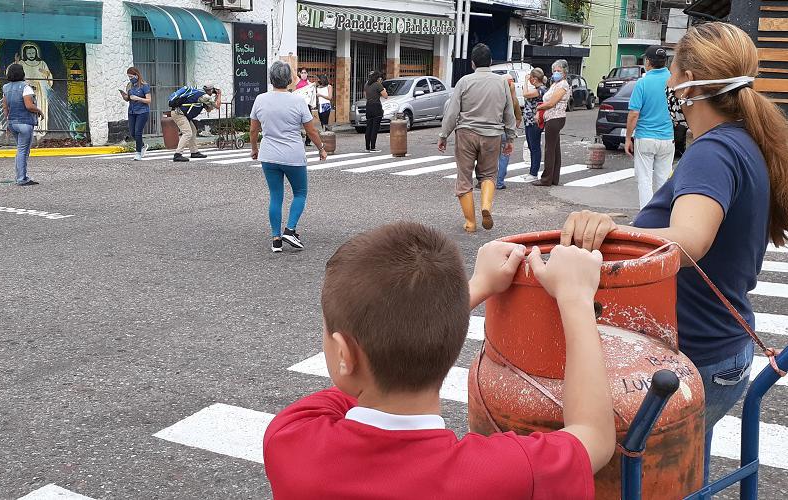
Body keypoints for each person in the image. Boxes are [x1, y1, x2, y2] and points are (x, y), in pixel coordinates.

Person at [556, 22, 788, 483]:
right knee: (685, 474)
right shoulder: (741, 141)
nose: (669, 83)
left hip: (696, 356)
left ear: (688, 78)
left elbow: (690, 240)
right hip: (720, 348)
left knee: (640, 479)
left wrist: (612, 229)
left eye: (673, 70)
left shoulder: (712, 151)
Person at [263, 222, 616, 497]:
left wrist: (476, 287)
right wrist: (575, 297)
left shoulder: (291, 439)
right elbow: (594, 436)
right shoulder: (504, 474)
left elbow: (362, 376)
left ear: (343, 352)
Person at [250, 61, 328, 253]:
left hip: (269, 155)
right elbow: (311, 131)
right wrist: (321, 148)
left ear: (271, 79)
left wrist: (254, 149)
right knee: (300, 193)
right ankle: (290, 230)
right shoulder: (298, 101)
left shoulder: (260, 99)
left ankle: (276, 239)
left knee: (276, 196)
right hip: (293, 155)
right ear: (289, 80)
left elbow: (253, 130)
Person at [437, 44, 516, 233]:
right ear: (490, 62)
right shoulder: (501, 82)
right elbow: (509, 112)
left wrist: (443, 135)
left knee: (464, 177)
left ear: (472, 63)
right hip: (492, 135)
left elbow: (452, 111)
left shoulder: (464, 82)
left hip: (466, 134)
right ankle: (486, 206)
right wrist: (510, 137)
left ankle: (470, 222)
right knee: (489, 174)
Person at [628, 46, 676, 208]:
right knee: (663, 180)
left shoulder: (642, 82)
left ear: (648, 62)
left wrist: (628, 137)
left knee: (645, 180)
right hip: (668, 138)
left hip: (646, 136)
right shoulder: (673, 80)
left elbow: (634, 113)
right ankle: (663, 215)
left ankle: (646, 217)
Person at [1, 63, 44, 186]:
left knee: (20, 150)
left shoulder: (6, 88)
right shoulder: (26, 87)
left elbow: (5, 107)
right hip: (25, 122)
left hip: (13, 123)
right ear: (22, 73)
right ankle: (22, 178)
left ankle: (19, 176)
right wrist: (39, 111)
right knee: (23, 151)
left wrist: (8, 122)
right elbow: (29, 106)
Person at [533, 60, 572, 186]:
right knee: (555, 148)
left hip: (555, 118)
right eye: (554, 70)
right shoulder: (555, 84)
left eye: (559, 71)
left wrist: (538, 108)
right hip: (551, 117)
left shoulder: (563, 85)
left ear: (564, 72)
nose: (556, 73)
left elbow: (551, 103)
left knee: (549, 149)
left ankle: (546, 178)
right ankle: (554, 178)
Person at [170, 83, 221, 162]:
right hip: (179, 114)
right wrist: (219, 94)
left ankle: (194, 152)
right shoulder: (205, 96)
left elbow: (209, 109)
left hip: (181, 114)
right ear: (210, 90)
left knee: (193, 131)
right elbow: (217, 106)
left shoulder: (199, 94)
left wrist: (215, 97)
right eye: (212, 90)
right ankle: (177, 154)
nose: (213, 92)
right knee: (187, 133)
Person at [14, 42, 52, 141]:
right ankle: (27, 129)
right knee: (27, 108)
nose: (31, 55)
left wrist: (45, 74)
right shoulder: (21, 63)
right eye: (29, 53)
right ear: (25, 54)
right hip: (26, 91)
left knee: (39, 108)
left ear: (36, 53)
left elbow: (49, 78)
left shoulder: (42, 63)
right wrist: (16, 63)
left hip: (40, 91)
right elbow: (12, 74)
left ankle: (40, 130)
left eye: (33, 53)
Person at [515, 68, 547, 182]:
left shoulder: (541, 89)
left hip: (535, 121)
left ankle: (534, 173)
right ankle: (531, 172)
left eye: (530, 78)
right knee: (531, 146)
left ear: (534, 79)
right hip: (529, 120)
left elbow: (525, 94)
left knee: (535, 147)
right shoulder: (538, 88)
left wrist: (525, 81)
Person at [495, 72, 523, 190]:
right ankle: (499, 182)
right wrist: (513, 129)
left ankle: (486, 181)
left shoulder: (495, 97)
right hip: (506, 132)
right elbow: (518, 118)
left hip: (493, 131)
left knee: (489, 158)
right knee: (504, 157)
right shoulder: (514, 99)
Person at [120, 67, 151, 161]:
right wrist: (124, 96)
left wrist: (138, 98)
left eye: (131, 76)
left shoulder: (144, 86)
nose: (130, 78)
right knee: (133, 133)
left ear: (136, 75)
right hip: (132, 111)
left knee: (138, 132)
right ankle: (142, 146)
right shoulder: (129, 85)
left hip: (142, 111)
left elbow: (149, 100)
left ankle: (138, 153)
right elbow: (129, 98)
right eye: (128, 77)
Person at [363, 72, 388, 152]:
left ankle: (367, 147)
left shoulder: (367, 84)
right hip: (376, 107)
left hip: (368, 106)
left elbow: (365, 96)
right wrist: (384, 89)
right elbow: (385, 96)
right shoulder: (378, 84)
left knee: (369, 127)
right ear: (378, 78)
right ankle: (373, 147)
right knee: (375, 128)